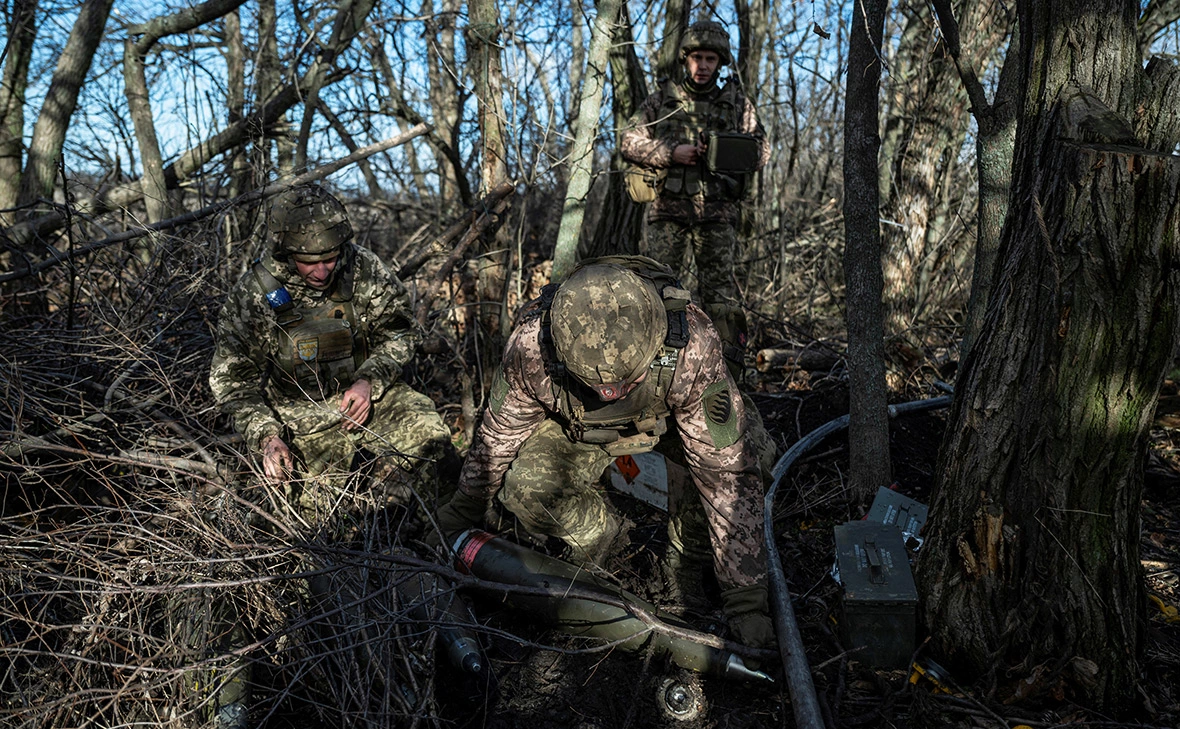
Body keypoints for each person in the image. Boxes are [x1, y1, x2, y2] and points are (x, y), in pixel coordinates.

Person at [429, 257, 775, 650]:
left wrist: (746, 602)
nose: (611, 393)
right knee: (527, 489)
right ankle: (603, 546)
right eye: (597, 384)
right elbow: (498, 436)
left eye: (627, 381)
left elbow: (726, 472)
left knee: (756, 459)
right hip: (576, 431)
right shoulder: (530, 349)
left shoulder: (691, 345)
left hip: (669, 422)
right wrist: (462, 510)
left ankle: (688, 560)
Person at [209, 184, 452, 521]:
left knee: (433, 447)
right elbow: (234, 381)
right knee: (317, 529)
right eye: (310, 262)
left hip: (370, 398)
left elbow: (400, 331)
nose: (322, 272)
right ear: (286, 253)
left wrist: (369, 379)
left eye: (330, 259)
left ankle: (452, 538)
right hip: (298, 419)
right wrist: (267, 436)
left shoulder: (362, 267)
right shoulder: (255, 294)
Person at [619, 19, 769, 375]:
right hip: (667, 212)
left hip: (717, 213)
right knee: (658, 293)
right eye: (697, 58)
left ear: (721, 62)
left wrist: (721, 151)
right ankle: (655, 373)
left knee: (719, 299)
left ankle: (725, 374)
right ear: (686, 59)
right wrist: (672, 152)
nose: (703, 66)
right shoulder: (663, 99)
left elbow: (761, 150)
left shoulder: (736, 102)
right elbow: (628, 140)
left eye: (711, 59)